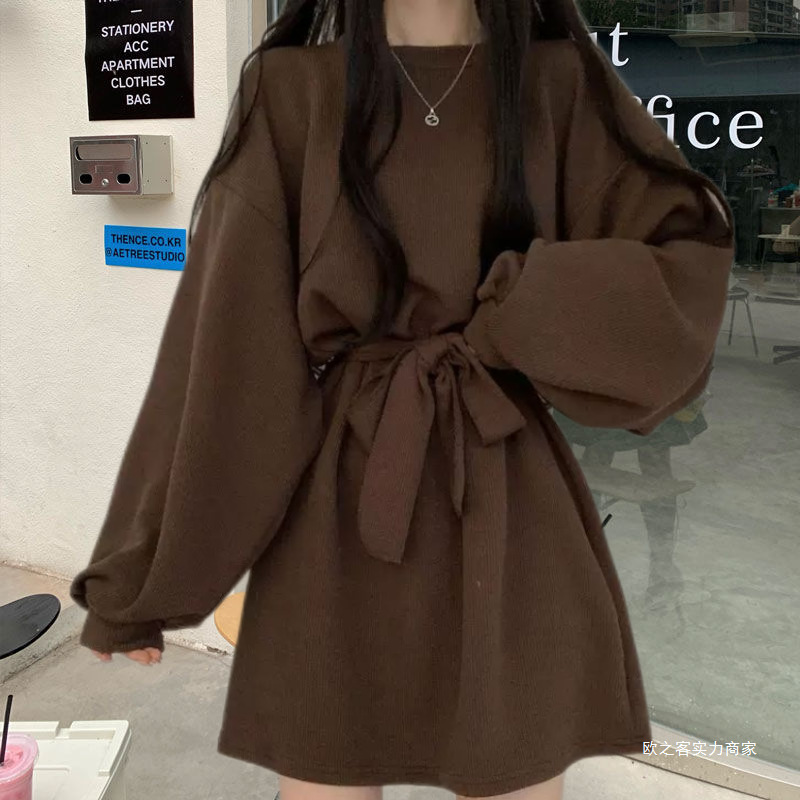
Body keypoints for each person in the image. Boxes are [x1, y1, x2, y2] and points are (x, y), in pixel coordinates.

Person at [68, 0, 736, 798]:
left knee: (513, 762)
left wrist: (521, 314)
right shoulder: (291, 90)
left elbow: (684, 265)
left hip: (507, 498)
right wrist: (140, 578)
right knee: (329, 764)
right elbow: (224, 358)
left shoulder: (559, 85)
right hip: (338, 509)